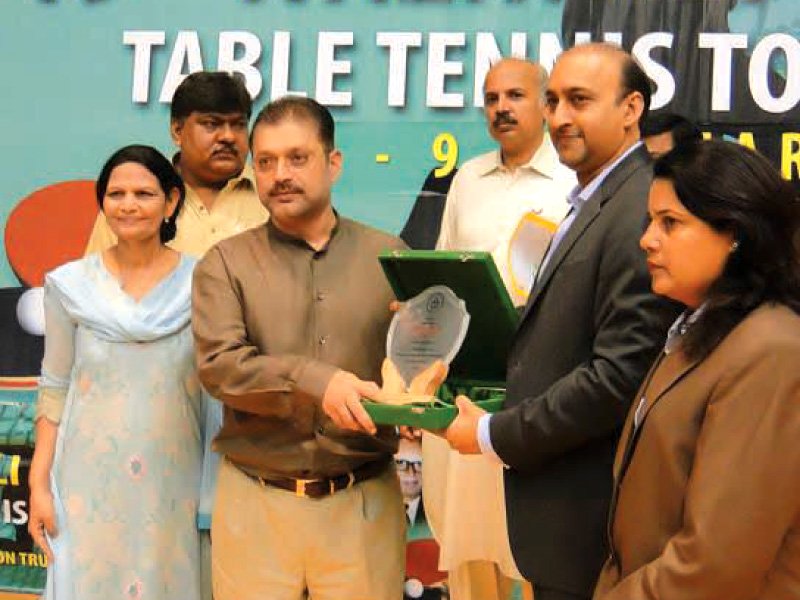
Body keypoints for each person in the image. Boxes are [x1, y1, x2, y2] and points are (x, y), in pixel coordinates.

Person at [442, 43, 681, 600]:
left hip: (597, 519)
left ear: (631, 109)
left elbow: (619, 377)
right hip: (564, 516)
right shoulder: (598, 196)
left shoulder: (639, 206)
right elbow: (557, 332)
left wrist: (490, 433)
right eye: (552, 101)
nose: (560, 118)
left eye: (579, 100)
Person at [192, 96, 407, 600]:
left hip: (362, 501)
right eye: (264, 162)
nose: (279, 174)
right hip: (257, 501)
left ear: (333, 163)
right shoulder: (225, 264)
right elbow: (220, 367)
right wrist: (316, 381)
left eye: (297, 157)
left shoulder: (391, 255)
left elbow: (417, 363)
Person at [593, 140, 800, 599]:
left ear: (735, 236)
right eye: (651, 221)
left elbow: (715, 564)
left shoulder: (771, 351)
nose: (647, 238)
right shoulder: (698, 330)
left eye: (671, 223)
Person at [425, 57, 575, 600]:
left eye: (514, 95)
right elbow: (445, 268)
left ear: (545, 104)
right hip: (471, 381)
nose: (501, 108)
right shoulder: (468, 178)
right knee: (471, 546)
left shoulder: (572, 182)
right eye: (491, 99)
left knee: (531, 538)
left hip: (541, 383)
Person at [27, 145, 202, 600]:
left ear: (172, 200)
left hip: (176, 482)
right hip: (86, 486)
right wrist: (39, 482)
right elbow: (54, 388)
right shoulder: (70, 287)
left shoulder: (203, 284)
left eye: (144, 193)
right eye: (116, 193)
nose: (128, 205)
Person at [85, 71, 267, 256]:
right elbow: (96, 280)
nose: (228, 136)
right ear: (177, 131)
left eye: (238, 125)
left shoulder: (273, 195)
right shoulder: (131, 200)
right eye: (212, 124)